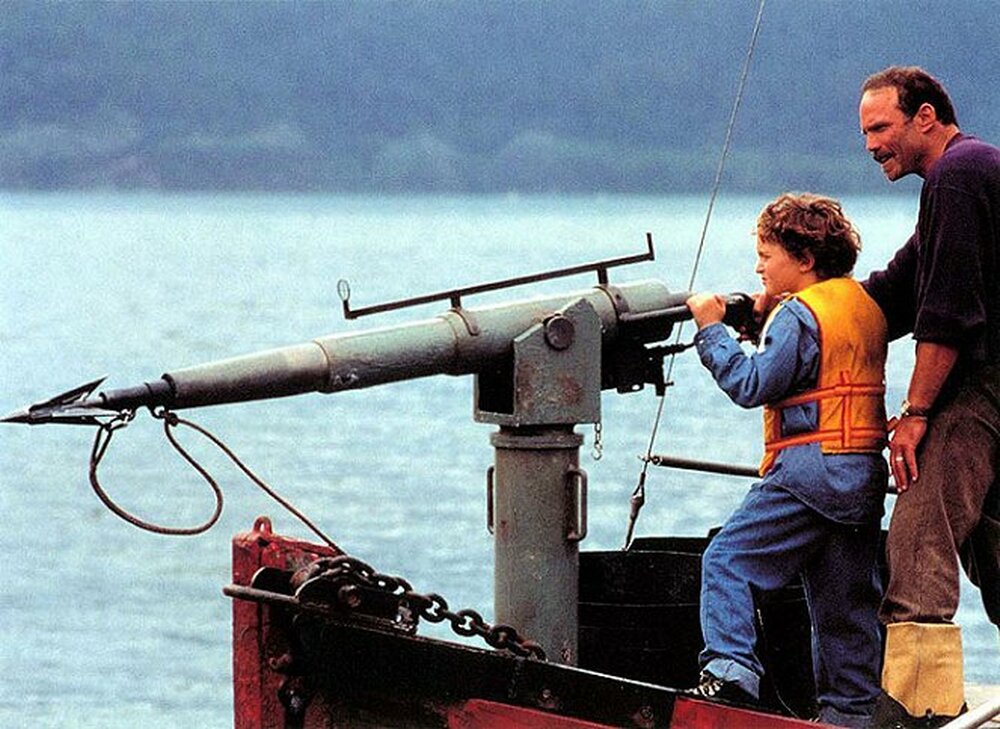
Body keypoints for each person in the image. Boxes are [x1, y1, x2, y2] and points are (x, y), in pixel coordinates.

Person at [686, 192, 889, 727]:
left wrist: (711, 329)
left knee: (727, 560)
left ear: (803, 259)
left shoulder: (798, 315)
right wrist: (766, 325)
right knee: (844, 604)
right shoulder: (863, 307)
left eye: (766, 255)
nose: (758, 267)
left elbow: (752, 384)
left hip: (808, 472)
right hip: (861, 473)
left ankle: (730, 672)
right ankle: (849, 713)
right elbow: (821, 366)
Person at [859, 66, 1000, 727]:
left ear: (925, 117)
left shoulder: (958, 176)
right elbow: (896, 291)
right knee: (993, 543)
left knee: (919, 537)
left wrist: (915, 414)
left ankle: (918, 712)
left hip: (983, 383)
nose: (870, 145)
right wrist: (795, 309)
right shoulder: (970, 172)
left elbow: (946, 316)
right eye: (864, 133)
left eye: (880, 128)